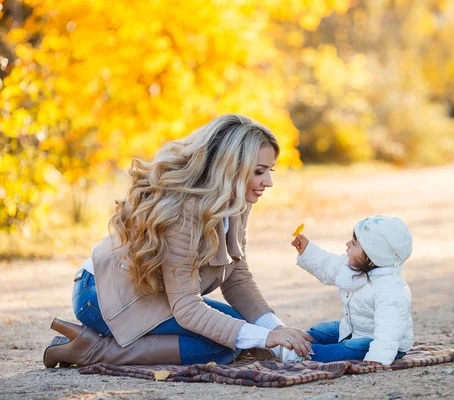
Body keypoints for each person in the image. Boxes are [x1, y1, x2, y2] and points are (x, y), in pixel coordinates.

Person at [43, 114, 313, 368]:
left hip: (153, 293)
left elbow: (236, 276)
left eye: (270, 171)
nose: (268, 181)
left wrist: (276, 329)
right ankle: (93, 349)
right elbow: (187, 308)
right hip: (102, 294)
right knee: (220, 346)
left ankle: (104, 340)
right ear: (230, 168)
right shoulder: (183, 212)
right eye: (259, 171)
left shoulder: (236, 201)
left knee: (242, 332)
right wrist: (264, 338)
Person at [288, 216, 413, 366]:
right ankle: (294, 342)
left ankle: (305, 353)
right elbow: (328, 265)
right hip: (354, 329)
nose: (347, 244)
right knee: (325, 329)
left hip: (381, 343)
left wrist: (378, 356)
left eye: (354, 243)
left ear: (373, 256)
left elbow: (390, 331)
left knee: (351, 348)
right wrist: (307, 250)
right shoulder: (352, 267)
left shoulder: (390, 289)